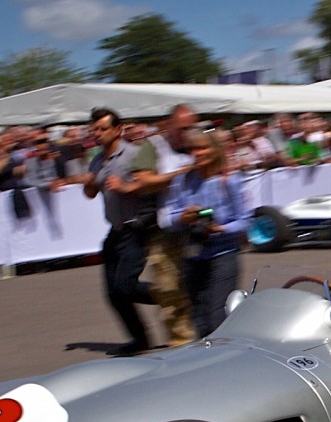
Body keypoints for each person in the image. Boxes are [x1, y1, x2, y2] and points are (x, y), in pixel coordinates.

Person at [161, 129, 250, 338]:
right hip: (193, 254)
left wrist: (220, 228)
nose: (198, 153)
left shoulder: (229, 180)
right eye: (193, 149)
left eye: (203, 147)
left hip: (223, 253)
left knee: (217, 315)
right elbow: (169, 217)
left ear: (215, 150)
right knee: (197, 317)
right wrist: (183, 217)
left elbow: (245, 221)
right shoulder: (182, 180)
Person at [83, 107, 157, 356]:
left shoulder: (134, 155)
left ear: (117, 130)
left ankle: (173, 296)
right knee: (113, 294)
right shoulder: (96, 160)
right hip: (115, 231)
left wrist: (126, 186)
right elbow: (91, 193)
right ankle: (139, 339)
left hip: (137, 228)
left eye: (103, 129)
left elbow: (151, 187)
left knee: (125, 286)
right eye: (94, 129)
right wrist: (89, 184)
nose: (97, 134)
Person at [124, 104, 198, 346]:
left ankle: (202, 336)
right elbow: (142, 180)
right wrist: (178, 175)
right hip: (165, 231)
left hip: (199, 229)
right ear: (168, 125)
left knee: (198, 286)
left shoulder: (198, 144)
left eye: (190, 128)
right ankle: (180, 343)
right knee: (168, 289)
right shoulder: (154, 146)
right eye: (181, 128)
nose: (185, 133)